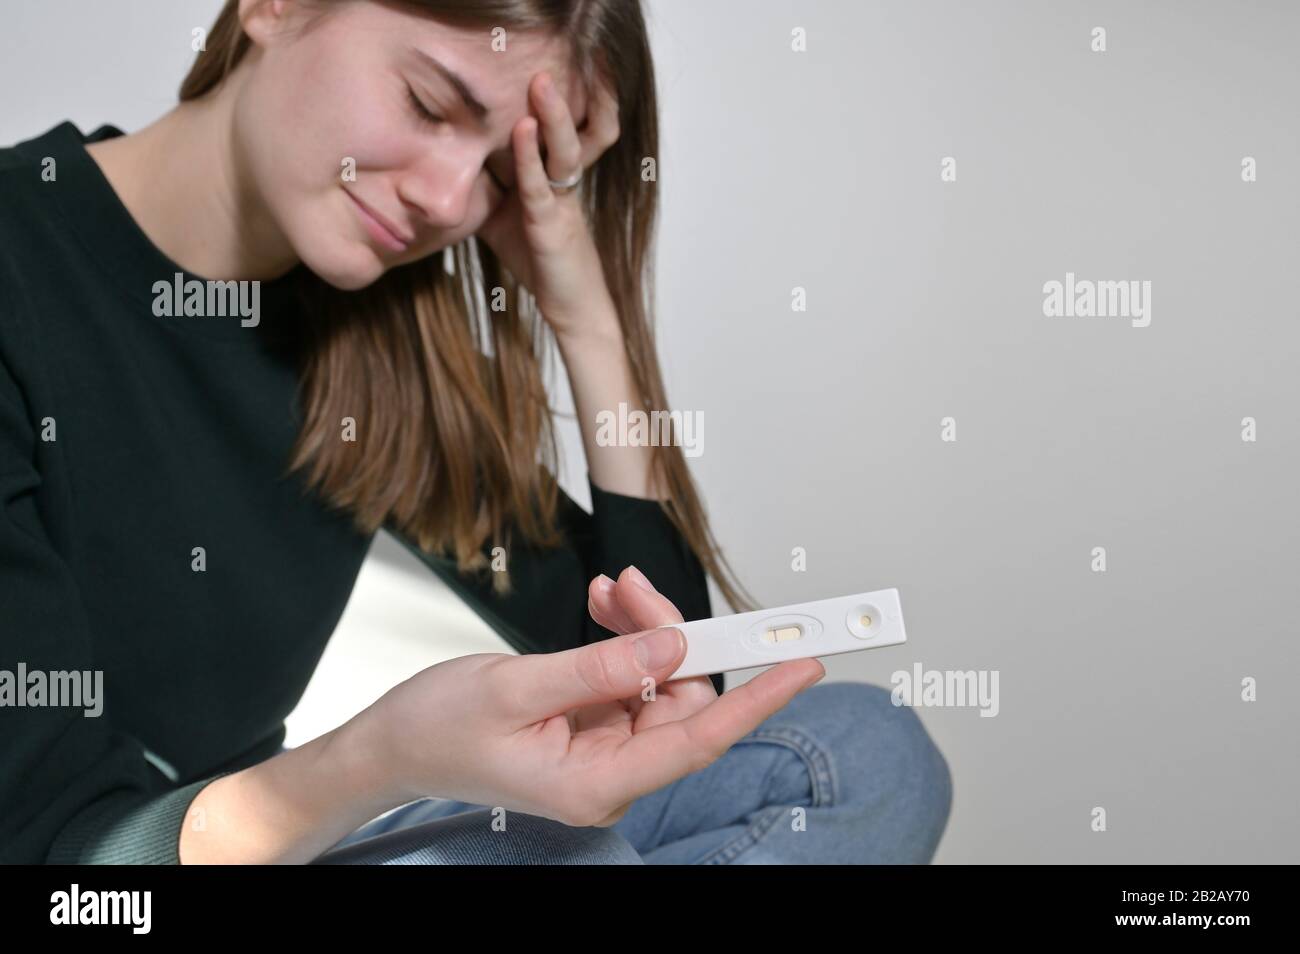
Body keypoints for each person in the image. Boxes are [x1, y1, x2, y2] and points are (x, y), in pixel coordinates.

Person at [0, 0, 952, 865]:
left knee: (865, 753)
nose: (452, 204)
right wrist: (382, 760)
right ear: (274, 6)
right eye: (427, 102)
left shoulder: (367, 351)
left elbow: (667, 698)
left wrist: (588, 318)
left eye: (502, 170)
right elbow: (63, 856)